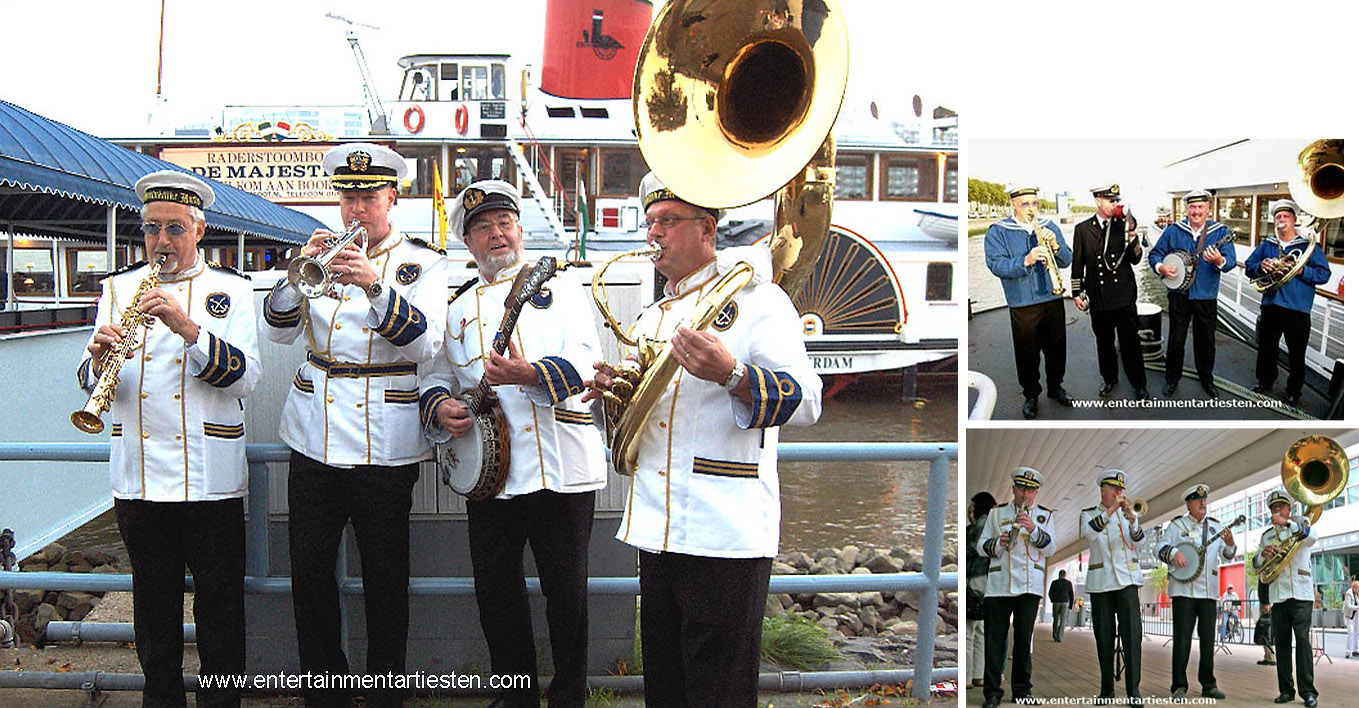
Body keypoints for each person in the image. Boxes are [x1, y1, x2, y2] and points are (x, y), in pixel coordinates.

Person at [585, 171, 822, 707]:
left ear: (707, 229)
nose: (654, 234)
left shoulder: (761, 302)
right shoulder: (651, 317)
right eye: (650, 223)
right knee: (666, 687)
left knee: (719, 690)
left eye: (667, 222)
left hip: (726, 529)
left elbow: (808, 402)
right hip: (658, 528)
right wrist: (611, 397)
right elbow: (644, 426)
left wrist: (732, 374)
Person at [263, 143, 449, 708]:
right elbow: (276, 332)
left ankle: (386, 692)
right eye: (348, 197)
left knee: (385, 580)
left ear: (393, 197)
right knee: (310, 574)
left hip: (385, 442)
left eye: (368, 197)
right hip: (313, 435)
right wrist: (298, 278)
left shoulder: (426, 262)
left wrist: (373, 284)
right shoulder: (316, 253)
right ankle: (326, 692)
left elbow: (425, 343)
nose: (356, 211)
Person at [419, 180, 606, 708]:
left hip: (559, 469)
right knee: (496, 593)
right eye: (482, 227)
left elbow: (589, 362)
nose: (495, 234)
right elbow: (436, 375)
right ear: (467, 241)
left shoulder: (563, 289)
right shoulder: (455, 311)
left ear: (520, 230)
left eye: (504, 223)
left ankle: (570, 696)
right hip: (490, 475)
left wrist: (530, 374)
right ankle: (514, 695)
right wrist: (441, 406)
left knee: (566, 594)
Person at [77, 170, 260, 708]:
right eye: (152, 229)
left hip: (210, 479)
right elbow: (92, 379)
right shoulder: (117, 288)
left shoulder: (232, 289)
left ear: (199, 229)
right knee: (153, 608)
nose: (161, 241)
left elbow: (247, 378)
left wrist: (189, 329)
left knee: (221, 608)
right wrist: (95, 361)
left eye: (174, 228)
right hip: (139, 478)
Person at [983, 187, 1074, 419]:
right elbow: (996, 265)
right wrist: (1027, 259)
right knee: (1027, 352)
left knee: (1057, 348)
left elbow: (1067, 259)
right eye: (1026, 204)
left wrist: (1056, 246)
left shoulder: (1050, 226)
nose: (1032, 209)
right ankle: (1031, 395)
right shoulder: (998, 231)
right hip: (1023, 302)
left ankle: (1056, 387)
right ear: (1013, 205)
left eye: (1035, 204)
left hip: (1053, 297)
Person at [976, 467, 1056, 708]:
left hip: (1029, 587)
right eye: (1021, 488)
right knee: (994, 641)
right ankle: (992, 693)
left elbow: (1050, 549)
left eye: (1030, 490)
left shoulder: (1045, 517)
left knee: (1023, 640)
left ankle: (1022, 690)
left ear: (1036, 493)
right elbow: (981, 547)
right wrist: (997, 543)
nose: (1025, 494)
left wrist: (1033, 529)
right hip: (999, 586)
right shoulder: (996, 514)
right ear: (1013, 489)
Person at [1149, 189, 1237, 398]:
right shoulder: (1173, 231)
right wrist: (1161, 267)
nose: (1196, 211)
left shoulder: (1220, 231)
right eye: (1192, 207)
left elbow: (1230, 261)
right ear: (1187, 208)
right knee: (1176, 339)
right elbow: (1155, 254)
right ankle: (1172, 379)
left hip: (1206, 296)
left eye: (1200, 207)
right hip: (1179, 295)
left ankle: (1206, 378)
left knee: (1206, 341)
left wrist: (1219, 261)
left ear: (1208, 208)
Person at [1245, 199, 1332, 407]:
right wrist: (1261, 266)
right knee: (1266, 349)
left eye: (1285, 216)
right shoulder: (1267, 244)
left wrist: (1301, 270)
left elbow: (1324, 274)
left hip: (1298, 309)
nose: (1281, 220)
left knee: (1296, 354)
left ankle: (1294, 392)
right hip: (1271, 306)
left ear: (1293, 220)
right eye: (1277, 217)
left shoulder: (1308, 247)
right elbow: (1249, 266)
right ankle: (1264, 382)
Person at [1071, 184, 1148, 401]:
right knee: (1104, 343)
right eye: (1111, 201)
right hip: (1099, 299)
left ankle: (1139, 384)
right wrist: (1077, 291)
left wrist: (1133, 238)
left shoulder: (1124, 225)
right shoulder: (1083, 229)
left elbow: (1135, 259)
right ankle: (1110, 379)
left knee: (1130, 343)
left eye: (1117, 201)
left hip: (1123, 297)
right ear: (1098, 201)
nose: (1116, 204)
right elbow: (1078, 264)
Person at [1157, 483, 1233, 701]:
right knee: (1181, 640)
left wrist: (1230, 544)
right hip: (1183, 591)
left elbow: (1228, 555)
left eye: (1205, 500)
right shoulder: (1176, 525)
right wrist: (1173, 553)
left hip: (1208, 593)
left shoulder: (1216, 527)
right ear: (1189, 504)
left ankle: (1208, 685)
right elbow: (1159, 547)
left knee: (1208, 640)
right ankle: (1178, 686)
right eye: (1198, 500)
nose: (1203, 503)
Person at [1079, 470, 1145, 705]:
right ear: (1103, 491)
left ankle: (1133, 691)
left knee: (1132, 637)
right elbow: (1089, 534)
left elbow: (1139, 541)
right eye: (1115, 489)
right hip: (1101, 584)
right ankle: (1107, 689)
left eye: (1121, 490)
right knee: (1104, 638)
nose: (1119, 493)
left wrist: (1133, 520)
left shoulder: (1127, 515)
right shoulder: (1090, 514)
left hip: (1127, 583)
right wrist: (1110, 512)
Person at [1252, 490, 1319, 707]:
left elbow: (1311, 538)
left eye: (1281, 507)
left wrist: (1288, 523)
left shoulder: (1301, 524)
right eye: (1273, 508)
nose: (1277, 510)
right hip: (1278, 596)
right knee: (1281, 644)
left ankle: (1308, 691)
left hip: (1301, 594)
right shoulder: (1267, 536)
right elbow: (1256, 564)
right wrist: (1264, 555)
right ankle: (1286, 690)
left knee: (1302, 640)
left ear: (1289, 509)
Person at [967, 491, 999, 688]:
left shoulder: (982, 523)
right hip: (989, 579)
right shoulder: (995, 522)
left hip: (976, 579)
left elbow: (972, 548)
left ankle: (966, 677)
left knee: (969, 630)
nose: (969, 510)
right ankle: (979, 675)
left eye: (972, 507)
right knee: (980, 632)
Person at [1047, 569, 1074, 643]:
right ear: (1065, 575)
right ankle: (1060, 636)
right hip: (1065, 602)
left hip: (1056, 602)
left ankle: (1054, 635)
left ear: (1059, 575)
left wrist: (1052, 600)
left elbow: (1050, 593)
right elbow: (1071, 594)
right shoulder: (1068, 583)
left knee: (1056, 619)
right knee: (1063, 620)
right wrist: (1071, 605)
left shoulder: (1054, 583)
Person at [1258, 578, 1277, 666]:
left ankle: (1270, 656)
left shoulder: (1266, 572)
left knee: (1266, 628)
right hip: (1267, 602)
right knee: (1266, 628)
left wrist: (1266, 602)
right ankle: (1268, 655)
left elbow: (1264, 586)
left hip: (1267, 603)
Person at [1344, 579, 1359, 659]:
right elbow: (1348, 605)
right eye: (1357, 588)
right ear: (1354, 587)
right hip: (1349, 615)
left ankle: (1355, 650)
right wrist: (1357, 607)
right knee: (1351, 632)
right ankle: (1348, 651)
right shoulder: (1349, 593)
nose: (1358, 590)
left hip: (1356, 615)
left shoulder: (1357, 594)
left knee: (1356, 632)